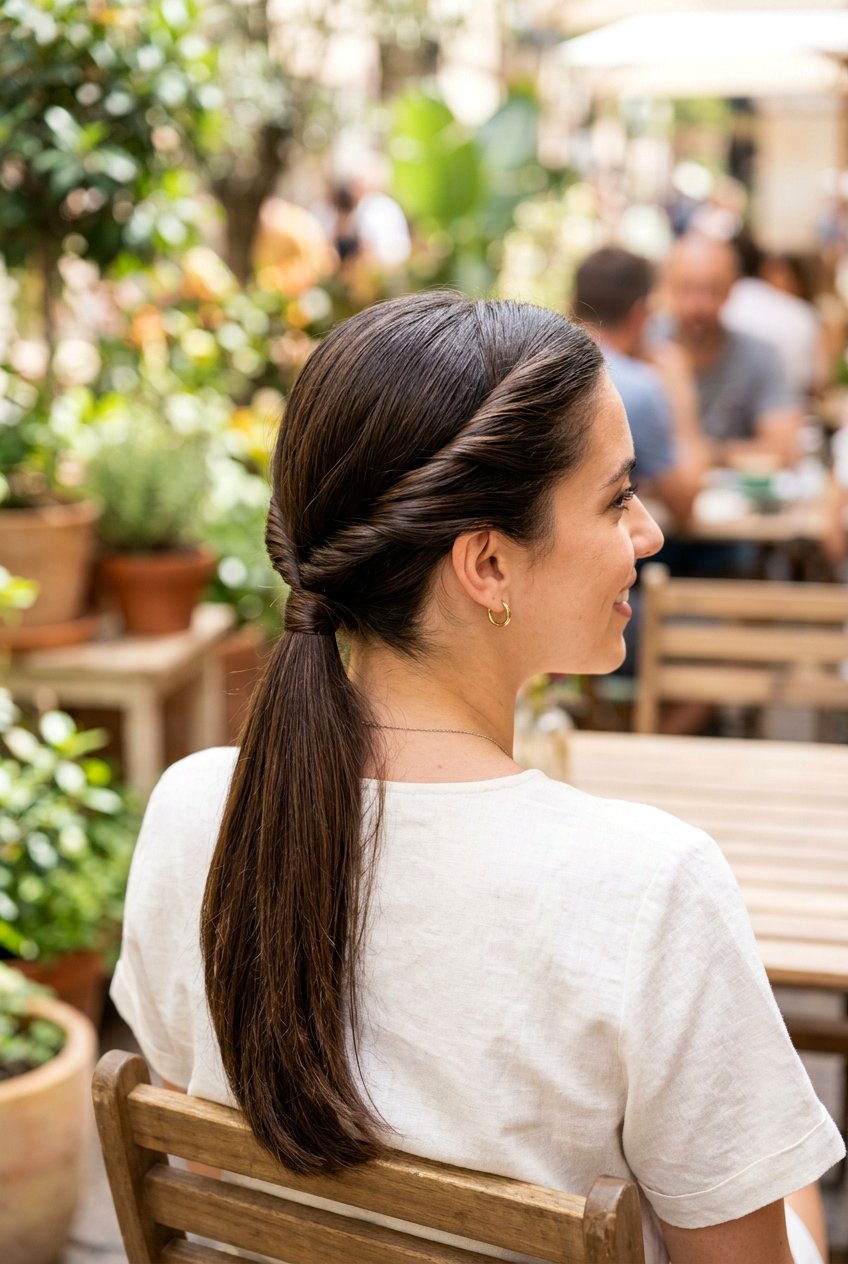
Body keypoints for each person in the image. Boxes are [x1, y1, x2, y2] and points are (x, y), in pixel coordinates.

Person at [112, 292, 842, 1264]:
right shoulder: (647, 887)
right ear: (487, 563)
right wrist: (780, 1161)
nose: (648, 534)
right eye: (615, 498)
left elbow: (211, 1176)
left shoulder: (193, 809)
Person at [573, 246, 707, 526]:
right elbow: (685, 503)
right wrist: (681, 396)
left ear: (573, 304)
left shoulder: (537, 367)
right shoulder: (637, 386)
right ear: (641, 313)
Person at [658, 232, 803, 469]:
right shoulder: (644, 351)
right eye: (687, 289)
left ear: (732, 289)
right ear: (668, 287)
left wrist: (704, 454)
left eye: (712, 290)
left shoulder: (760, 355)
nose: (698, 305)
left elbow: (783, 450)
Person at [722, 238, 823, 401]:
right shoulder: (803, 316)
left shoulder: (803, 316)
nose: (777, 279)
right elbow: (816, 383)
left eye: (781, 273)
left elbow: (815, 382)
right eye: (773, 271)